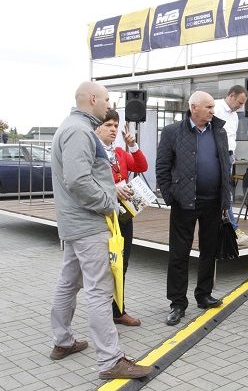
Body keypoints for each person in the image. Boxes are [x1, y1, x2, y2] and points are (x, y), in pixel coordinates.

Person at [49, 81, 151, 380]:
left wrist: (111, 190)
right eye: (106, 99)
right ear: (92, 98)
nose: (109, 104)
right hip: (89, 224)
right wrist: (109, 200)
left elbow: (82, 177)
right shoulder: (80, 131)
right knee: (99, 290)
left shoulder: (72, 127)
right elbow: (78, 180)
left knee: (69, 282)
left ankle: (63, 341)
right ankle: (110, 360)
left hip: (76, 223)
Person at [156, 90, 231, 326]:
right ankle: (177, 303)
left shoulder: (219, 131)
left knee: (209, 250)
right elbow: (162, 167)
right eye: (208, 107)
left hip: (212, 203)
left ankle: (204, 294)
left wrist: (225, 200)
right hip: (184, 202)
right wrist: (171, 197)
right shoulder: (172, 132)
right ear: (194, 107)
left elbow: (225, 165)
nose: (212, 111)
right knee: (179, 253)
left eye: (213, 107)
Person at [95, 109, 148, 326]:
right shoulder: (92, 152)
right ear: (96, 127)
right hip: (102, 217)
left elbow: (142, 166)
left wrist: (132, 145)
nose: (113, 129)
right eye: (108, 125)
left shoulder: (118, 152)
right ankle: (103, 313)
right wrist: (111, 188)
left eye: (115, 126)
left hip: (123, 216)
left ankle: (118, 311)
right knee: (103, 267)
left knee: (122, 264)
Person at [213, 85, 248, 245]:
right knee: (224, 194)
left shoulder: (235, 116)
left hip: (228, 156)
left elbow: (231, 136)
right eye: (239, 102)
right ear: (231, 96)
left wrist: (232, 154)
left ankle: (226, 230)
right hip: (216, 156)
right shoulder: (215, 109)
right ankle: (234, 230)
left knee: (222, 194)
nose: (240, 106)